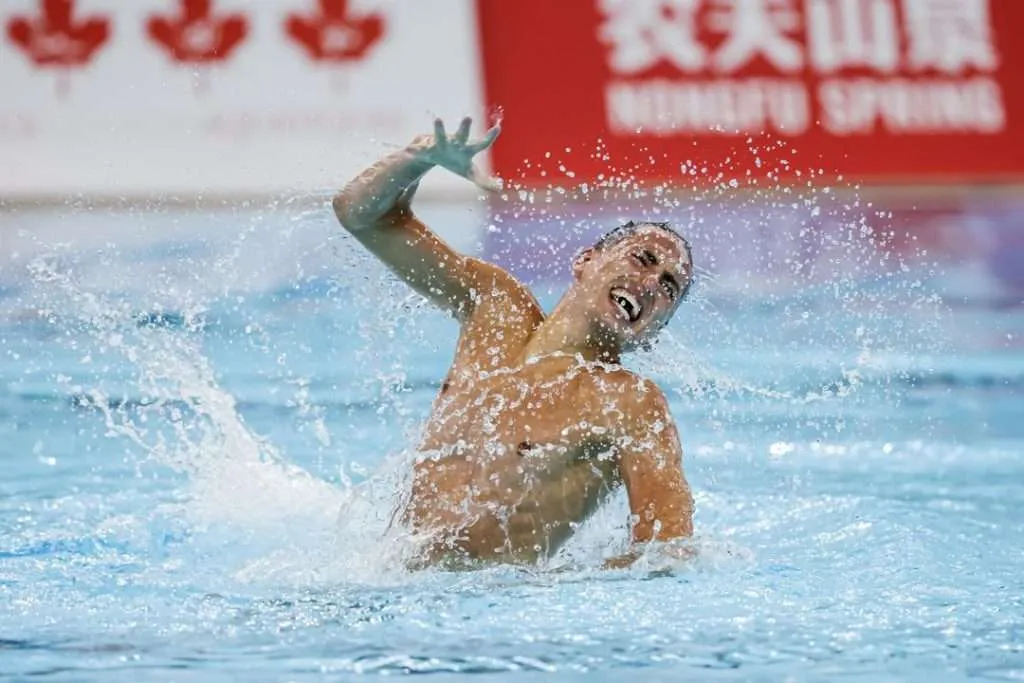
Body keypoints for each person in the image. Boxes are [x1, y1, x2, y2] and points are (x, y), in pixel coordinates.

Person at [333, 117, 695, 568]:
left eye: (668, 288)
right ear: (586, 261)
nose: (650, 284)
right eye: (644, 260)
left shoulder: (628, 403)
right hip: (386, 578)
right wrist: (416, 161)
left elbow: (667, 553)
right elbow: (361, 215)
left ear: (653, 332)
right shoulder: (494, 309)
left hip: (485, 610)